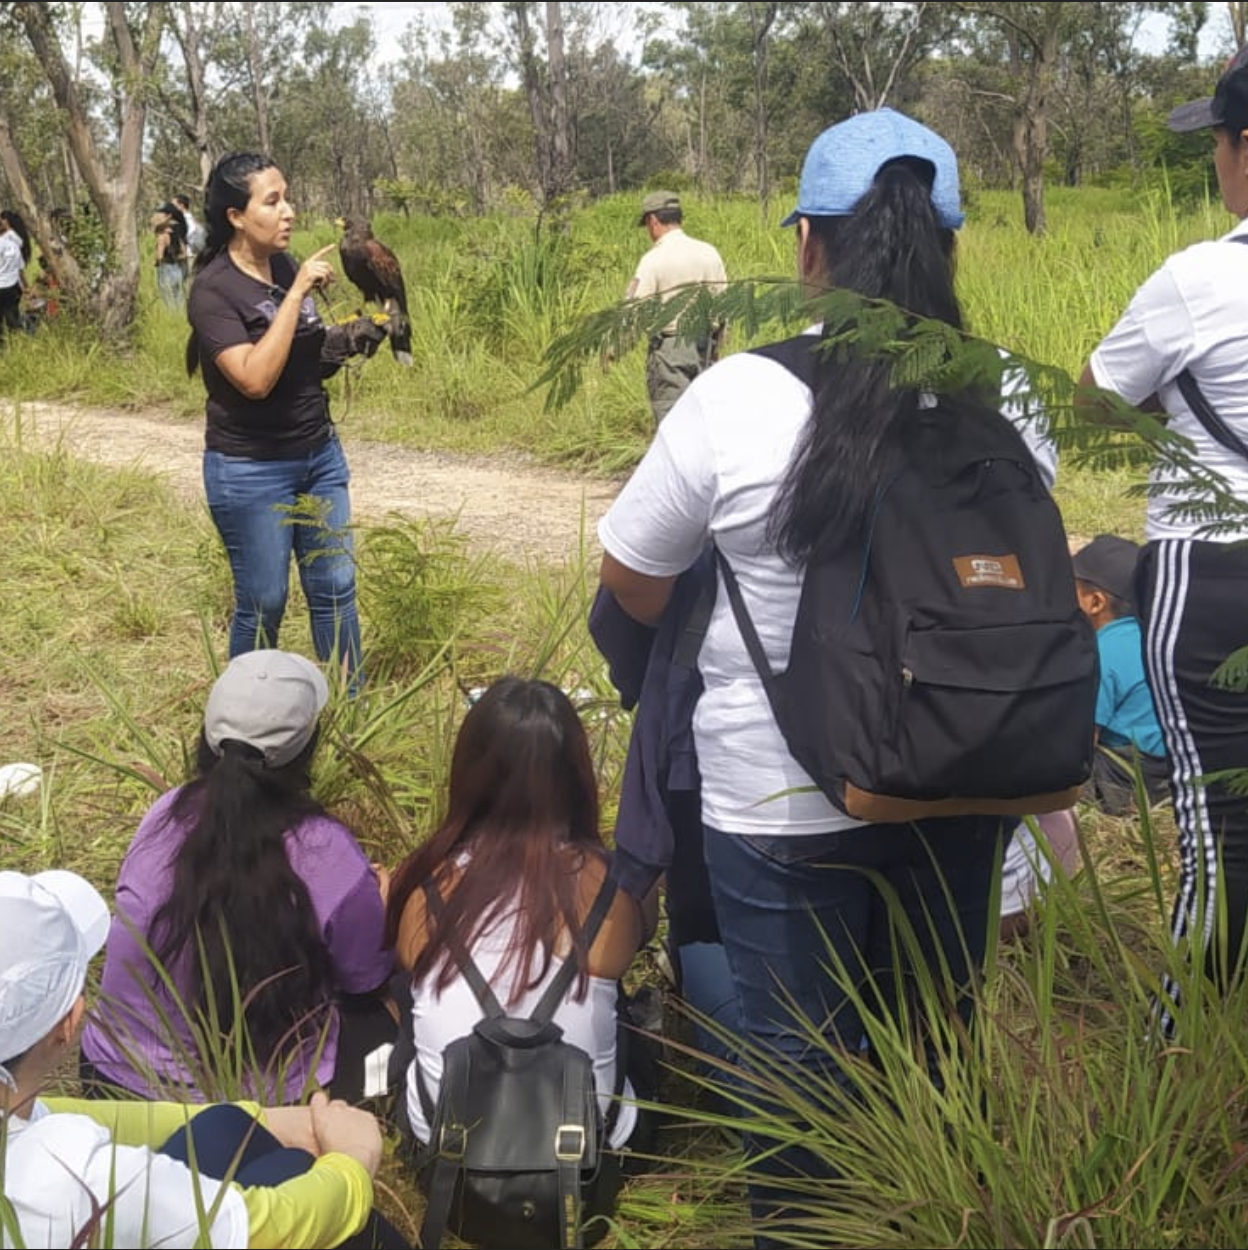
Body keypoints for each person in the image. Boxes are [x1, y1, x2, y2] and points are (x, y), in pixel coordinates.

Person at [598, 108, 1019, 1246]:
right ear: (950, 247)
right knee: (933, 1043)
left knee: (795, 1080)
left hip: (776, 804)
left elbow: (631, 580)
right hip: (962, 785)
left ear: (807, 248)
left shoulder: (735, 399)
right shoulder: (1007, 396)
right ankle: (931, 1213)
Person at [1078, 45, 1248, 1036]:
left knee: (1216, 828)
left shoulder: (1196, 280)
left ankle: (1173, 1052)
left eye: (1218, 142)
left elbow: (1094, 404)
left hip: (1212, 571)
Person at [0, 868, 411, 1249]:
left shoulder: (23, 1129)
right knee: (296, 1175)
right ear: (68, 1023)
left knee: (227, 1126)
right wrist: (352, 1162)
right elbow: (259, 1228)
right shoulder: (71, 1178)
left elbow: (86, 1118)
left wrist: (263, 1117)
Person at [78, 650, 397, 1106]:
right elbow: (365, 978)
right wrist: (378, 905)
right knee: (386, 1013)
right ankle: (373, 1104)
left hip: (116, 1083)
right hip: (258, 1112)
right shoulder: (329, 854)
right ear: (306, 750)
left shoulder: (164, 816)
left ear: (207, 740)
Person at [382, 677, 658, 1161]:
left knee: (409, 996)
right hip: (584, 1153)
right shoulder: (607, 885)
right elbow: (636, 937)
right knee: (622, 1015)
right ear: (576, 776)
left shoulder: (427, 882)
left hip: (446, 1150)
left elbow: (406, 961)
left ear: (469, 773)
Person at [186, 151, 385, 689]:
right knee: (264, 599)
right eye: (272, 202)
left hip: (318, 456)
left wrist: (347, 340)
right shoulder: (214, 290)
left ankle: (350, 713)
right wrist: (297, 294)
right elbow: (253, 378)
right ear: (235, 216)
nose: (289, 211)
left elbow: (303, 358)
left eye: (287, 197)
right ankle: (244, 733)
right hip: (250, 469)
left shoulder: (282, 266)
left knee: (336, 587)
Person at [1070, 534, 1169, 814]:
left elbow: (1083, 737)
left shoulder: (1101, 651)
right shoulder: (1153, 636)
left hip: (1126, 774)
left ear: (1096, 602)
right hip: (1169, 771)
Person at [627, 190, 728, 424]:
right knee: (704, 421)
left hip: (671, 351)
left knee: (672, 425)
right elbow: (724, 306)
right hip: (704, 346)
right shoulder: (709, 253)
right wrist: (716, 347)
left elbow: (633, 309)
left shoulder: (653, 259)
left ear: (653, 221)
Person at [152, 200, 189, 310]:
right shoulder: (178, 234)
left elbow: (159, 256)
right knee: (179, 300)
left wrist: (156, 262)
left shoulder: (162, 236)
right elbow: (184, 253)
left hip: (166, 270)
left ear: (168, 216)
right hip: (177, 269)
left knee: (168, 302)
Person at [0, 208, 30, 338]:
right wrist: (25, 287)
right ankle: (16, 342)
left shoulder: (8, 240)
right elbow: (20, 268)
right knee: (12, 318)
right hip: (12, 287)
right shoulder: (16, 242)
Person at [175, 191, 207, 261]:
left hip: (189, 255)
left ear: (181, 205)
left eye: (175, 205)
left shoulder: (186, 218)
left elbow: (191, 231)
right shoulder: (188, 218)